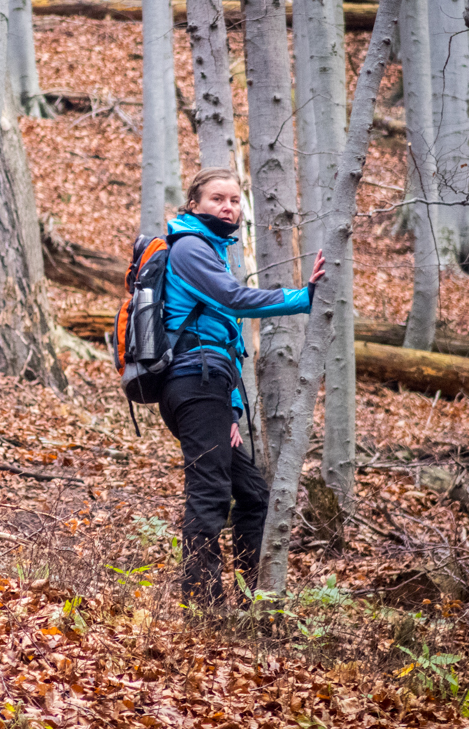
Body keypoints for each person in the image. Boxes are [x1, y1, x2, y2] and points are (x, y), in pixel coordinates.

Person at [160, 167, 325, 609]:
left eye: (234, 200)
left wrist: (230, 413)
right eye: (217, 199)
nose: (228, 207)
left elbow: (222, 339)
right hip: (195, 385)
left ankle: (253, 600)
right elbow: (234, 300)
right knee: (210, 494)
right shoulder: (191, 248)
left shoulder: (211, 248)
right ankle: (204, 608)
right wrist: (301, 298)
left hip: (207, 388)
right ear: (194, 205)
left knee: (253, 495)